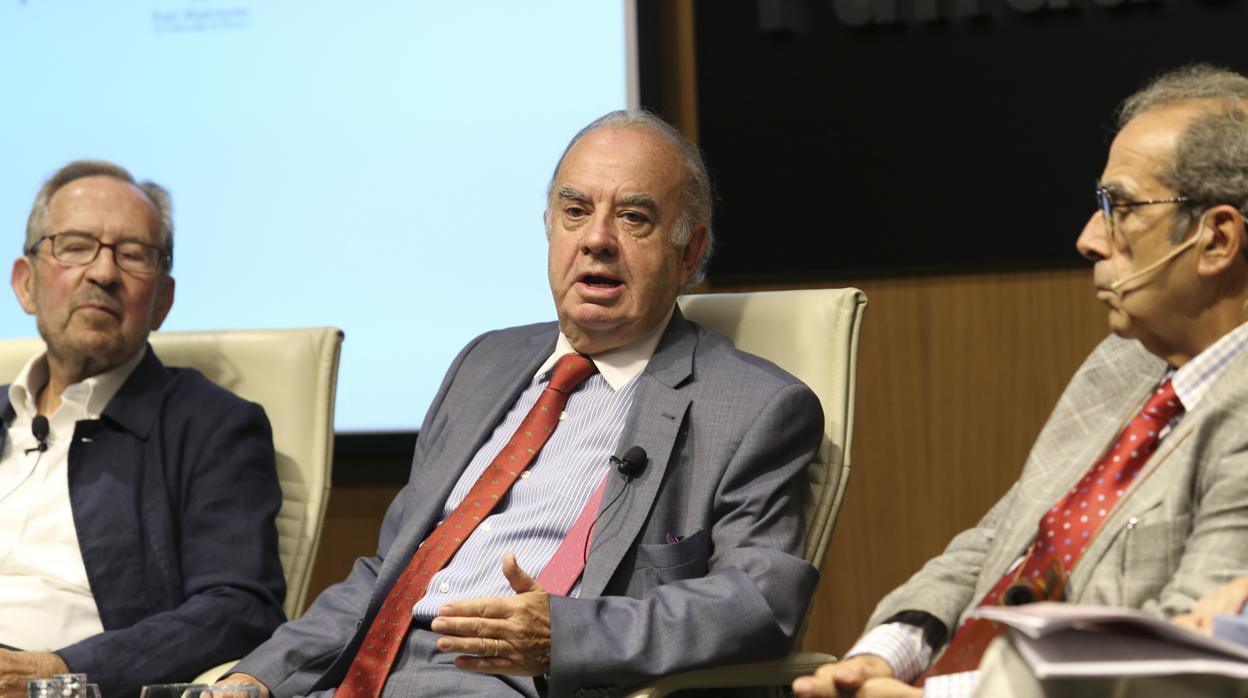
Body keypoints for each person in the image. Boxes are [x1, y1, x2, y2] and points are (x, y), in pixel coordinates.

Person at [225, 110, 823, 698]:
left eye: (634, 218)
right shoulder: (483, 364)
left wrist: (564, 634)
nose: (596, 240)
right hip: (368, 676)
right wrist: (258, 677)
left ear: (688, 252)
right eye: (575, 211)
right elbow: (388, 572)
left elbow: (759, 601)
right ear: (550, 226)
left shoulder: (754, 407)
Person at [793, 63, 1248, 698]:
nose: (1089, 239)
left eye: (1120, 208)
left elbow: (1182, 660)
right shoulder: (1123, 362)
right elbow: (1001, 540)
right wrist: (887, 653)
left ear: (1216, 239)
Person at [0, 161, 286, 697]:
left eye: (133, 255)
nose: (103, 273)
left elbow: (240, 607)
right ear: (26, 284)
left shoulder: (211, 426)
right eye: (76, 245)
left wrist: (56, 671)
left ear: (163, 301)